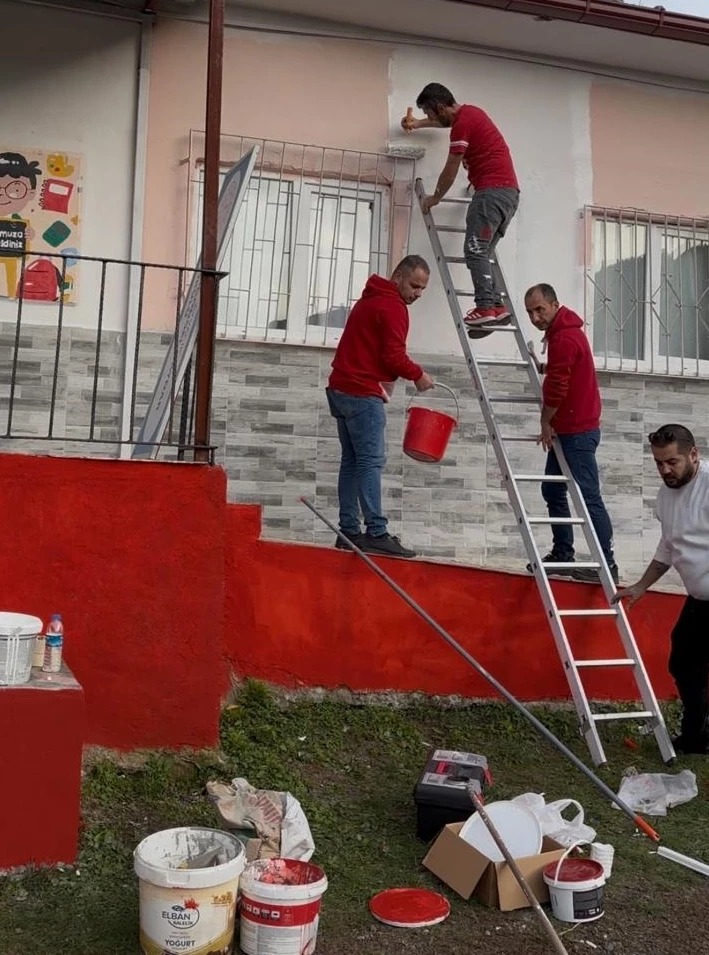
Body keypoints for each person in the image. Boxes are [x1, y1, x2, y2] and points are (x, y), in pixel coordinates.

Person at [326, 256, 434, 558]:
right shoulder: (393, 307)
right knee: (370, 462)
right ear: (398, 276)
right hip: (361, 394)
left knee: (352, 461)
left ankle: (348, 531)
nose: (417, 294)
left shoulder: (369, 299)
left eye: (422, 289)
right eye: (414, 286)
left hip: (340, 389)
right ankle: (376, 531)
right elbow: (393, 356)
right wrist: (418, 375)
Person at [614, 425, 709, 755]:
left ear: (693, 454)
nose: (665, 470)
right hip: (699, 600)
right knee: (683, 662)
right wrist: (641, 586)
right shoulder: (665, 496)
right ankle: (697, 736)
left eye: (672, 462)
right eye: (659, 463)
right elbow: (669, 546)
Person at [402, 83, 519, 331]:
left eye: (430, 114)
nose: (430, 119)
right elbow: (442, 123)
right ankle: (497, 306)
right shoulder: (469, 115)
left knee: (475, 250)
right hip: (507, 196)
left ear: (442, 107)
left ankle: (485, 307)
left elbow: (451, 169)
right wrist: (417, 124)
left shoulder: (463, 125)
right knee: (483, 254)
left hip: (491, 194)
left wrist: (434, 198)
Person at [525, 283, 618, 584]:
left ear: (554, 305)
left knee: (589, 497)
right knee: (552, 490)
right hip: (569, 430)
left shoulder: (564, 336)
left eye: (540, 309)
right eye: (530, 312)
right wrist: (545, 367)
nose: (535, 317)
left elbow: (557, 389)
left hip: (577, 432)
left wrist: (544, 423)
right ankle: (564, 553)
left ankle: (606, 564)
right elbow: (564, 371)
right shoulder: (564, 333)